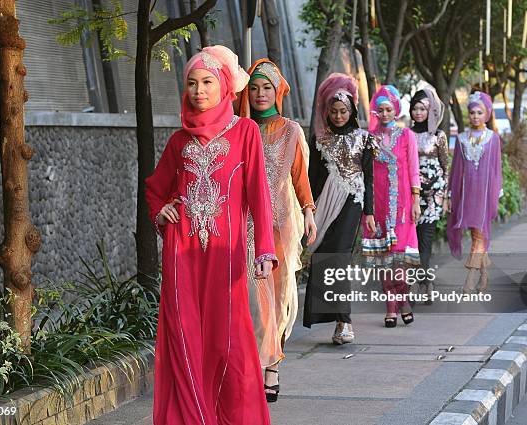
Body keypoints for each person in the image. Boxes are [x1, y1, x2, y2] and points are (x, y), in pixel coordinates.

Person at [145, 45, 277, 425]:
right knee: (184, 338)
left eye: (207, 82)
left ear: (224, 87)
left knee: (228, 343)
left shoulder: (246, 133)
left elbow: (259, 196)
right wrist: (162, 211)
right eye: (192, 83)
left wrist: (264, 250)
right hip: (181, 252)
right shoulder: (178, 141)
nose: (199, 90)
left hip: (227, 255)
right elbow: (155, 188)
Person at [237, 58, 317, 403]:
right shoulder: (239, 130)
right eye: (253, 88)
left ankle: (273, 365)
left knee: (281, 296)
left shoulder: (291, 130)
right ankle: (255, 364)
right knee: (254, 299)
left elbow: (300, 177)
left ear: (278, 91)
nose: (259, 94)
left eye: (266, 88)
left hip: (282, 226)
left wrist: (309, 213)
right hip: (246, 225)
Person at [303, 73, 376, 344]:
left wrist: (369, 212)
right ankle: (334, 320)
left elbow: (368, 176)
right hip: (324, 204)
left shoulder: (364, 138)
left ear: (352, 110)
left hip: (352, 202)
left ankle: (345, 322)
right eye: (333, 111)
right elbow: (312, 177)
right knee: (323, 255)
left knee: (341, 257)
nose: (338, 115)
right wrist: (307, 208)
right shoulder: (319, 139)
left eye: (343, 111)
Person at [362, 85, 421, 328]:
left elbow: (413, 169)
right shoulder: (369, 139)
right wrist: (369, 211)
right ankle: (391, 307)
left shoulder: (407, 136)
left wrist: (416, 200)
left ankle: (403, 299)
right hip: (379, 206)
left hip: (403, 207)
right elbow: (366, 174)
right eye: (380, 110)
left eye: (388, 109)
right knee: (385, 260)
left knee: (399, 260)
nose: (384, 114)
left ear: (395, 110)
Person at [447, 91, 502, 294]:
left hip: (484, 195)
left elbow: (496, 169)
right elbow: (456, 171)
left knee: (479, 236)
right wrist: (450, 195)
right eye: (472, 113)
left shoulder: (493, 139)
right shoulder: (461, 139)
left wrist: (496, 193)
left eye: (479, 112)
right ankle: (485, 277)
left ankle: (470, 279)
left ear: (486, 113)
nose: (475, 116)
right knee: (475, 235)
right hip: (467, 194)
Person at [409, 86, 448, 304]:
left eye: (423, 109)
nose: (418, 113)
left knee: (425, 241)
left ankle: (424, 282)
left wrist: (446, 197)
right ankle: (420, 282)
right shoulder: (407, 134)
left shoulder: (439, 136)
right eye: (415, 108)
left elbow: (445, 166)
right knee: (412, 243)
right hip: (412, 195)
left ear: (431, 111)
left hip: (433, 197)